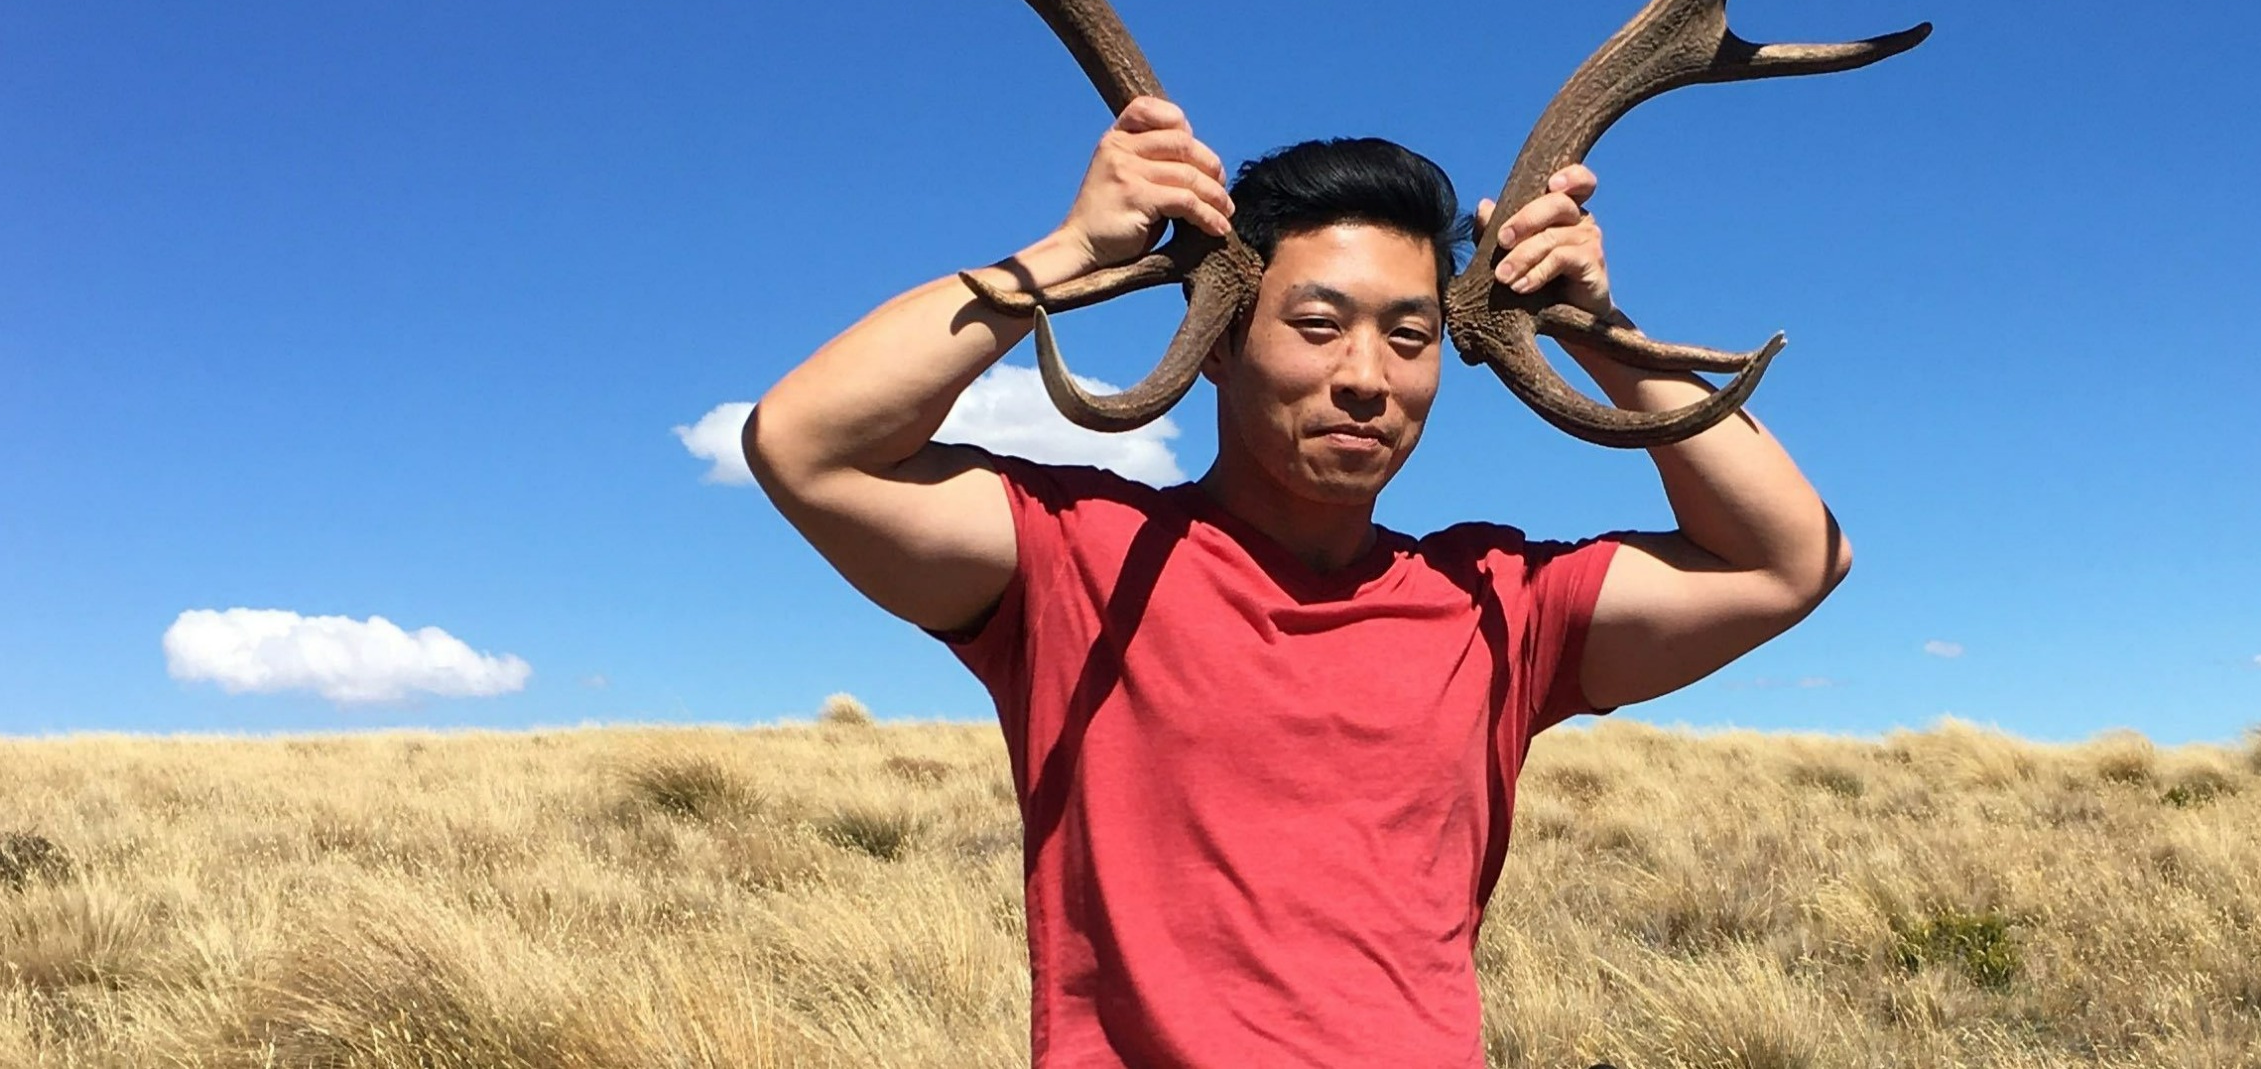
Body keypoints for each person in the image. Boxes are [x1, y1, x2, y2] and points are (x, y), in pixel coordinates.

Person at [746, 96, 1851, 1067]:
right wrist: (1069, 252)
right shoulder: (1080, 561)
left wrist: (1597, 329)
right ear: (1220, 341)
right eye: (1317, 326)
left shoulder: (1496, 607)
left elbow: (1792, 559)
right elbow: (806, 443)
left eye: (1410, 338)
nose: (1366, 379)